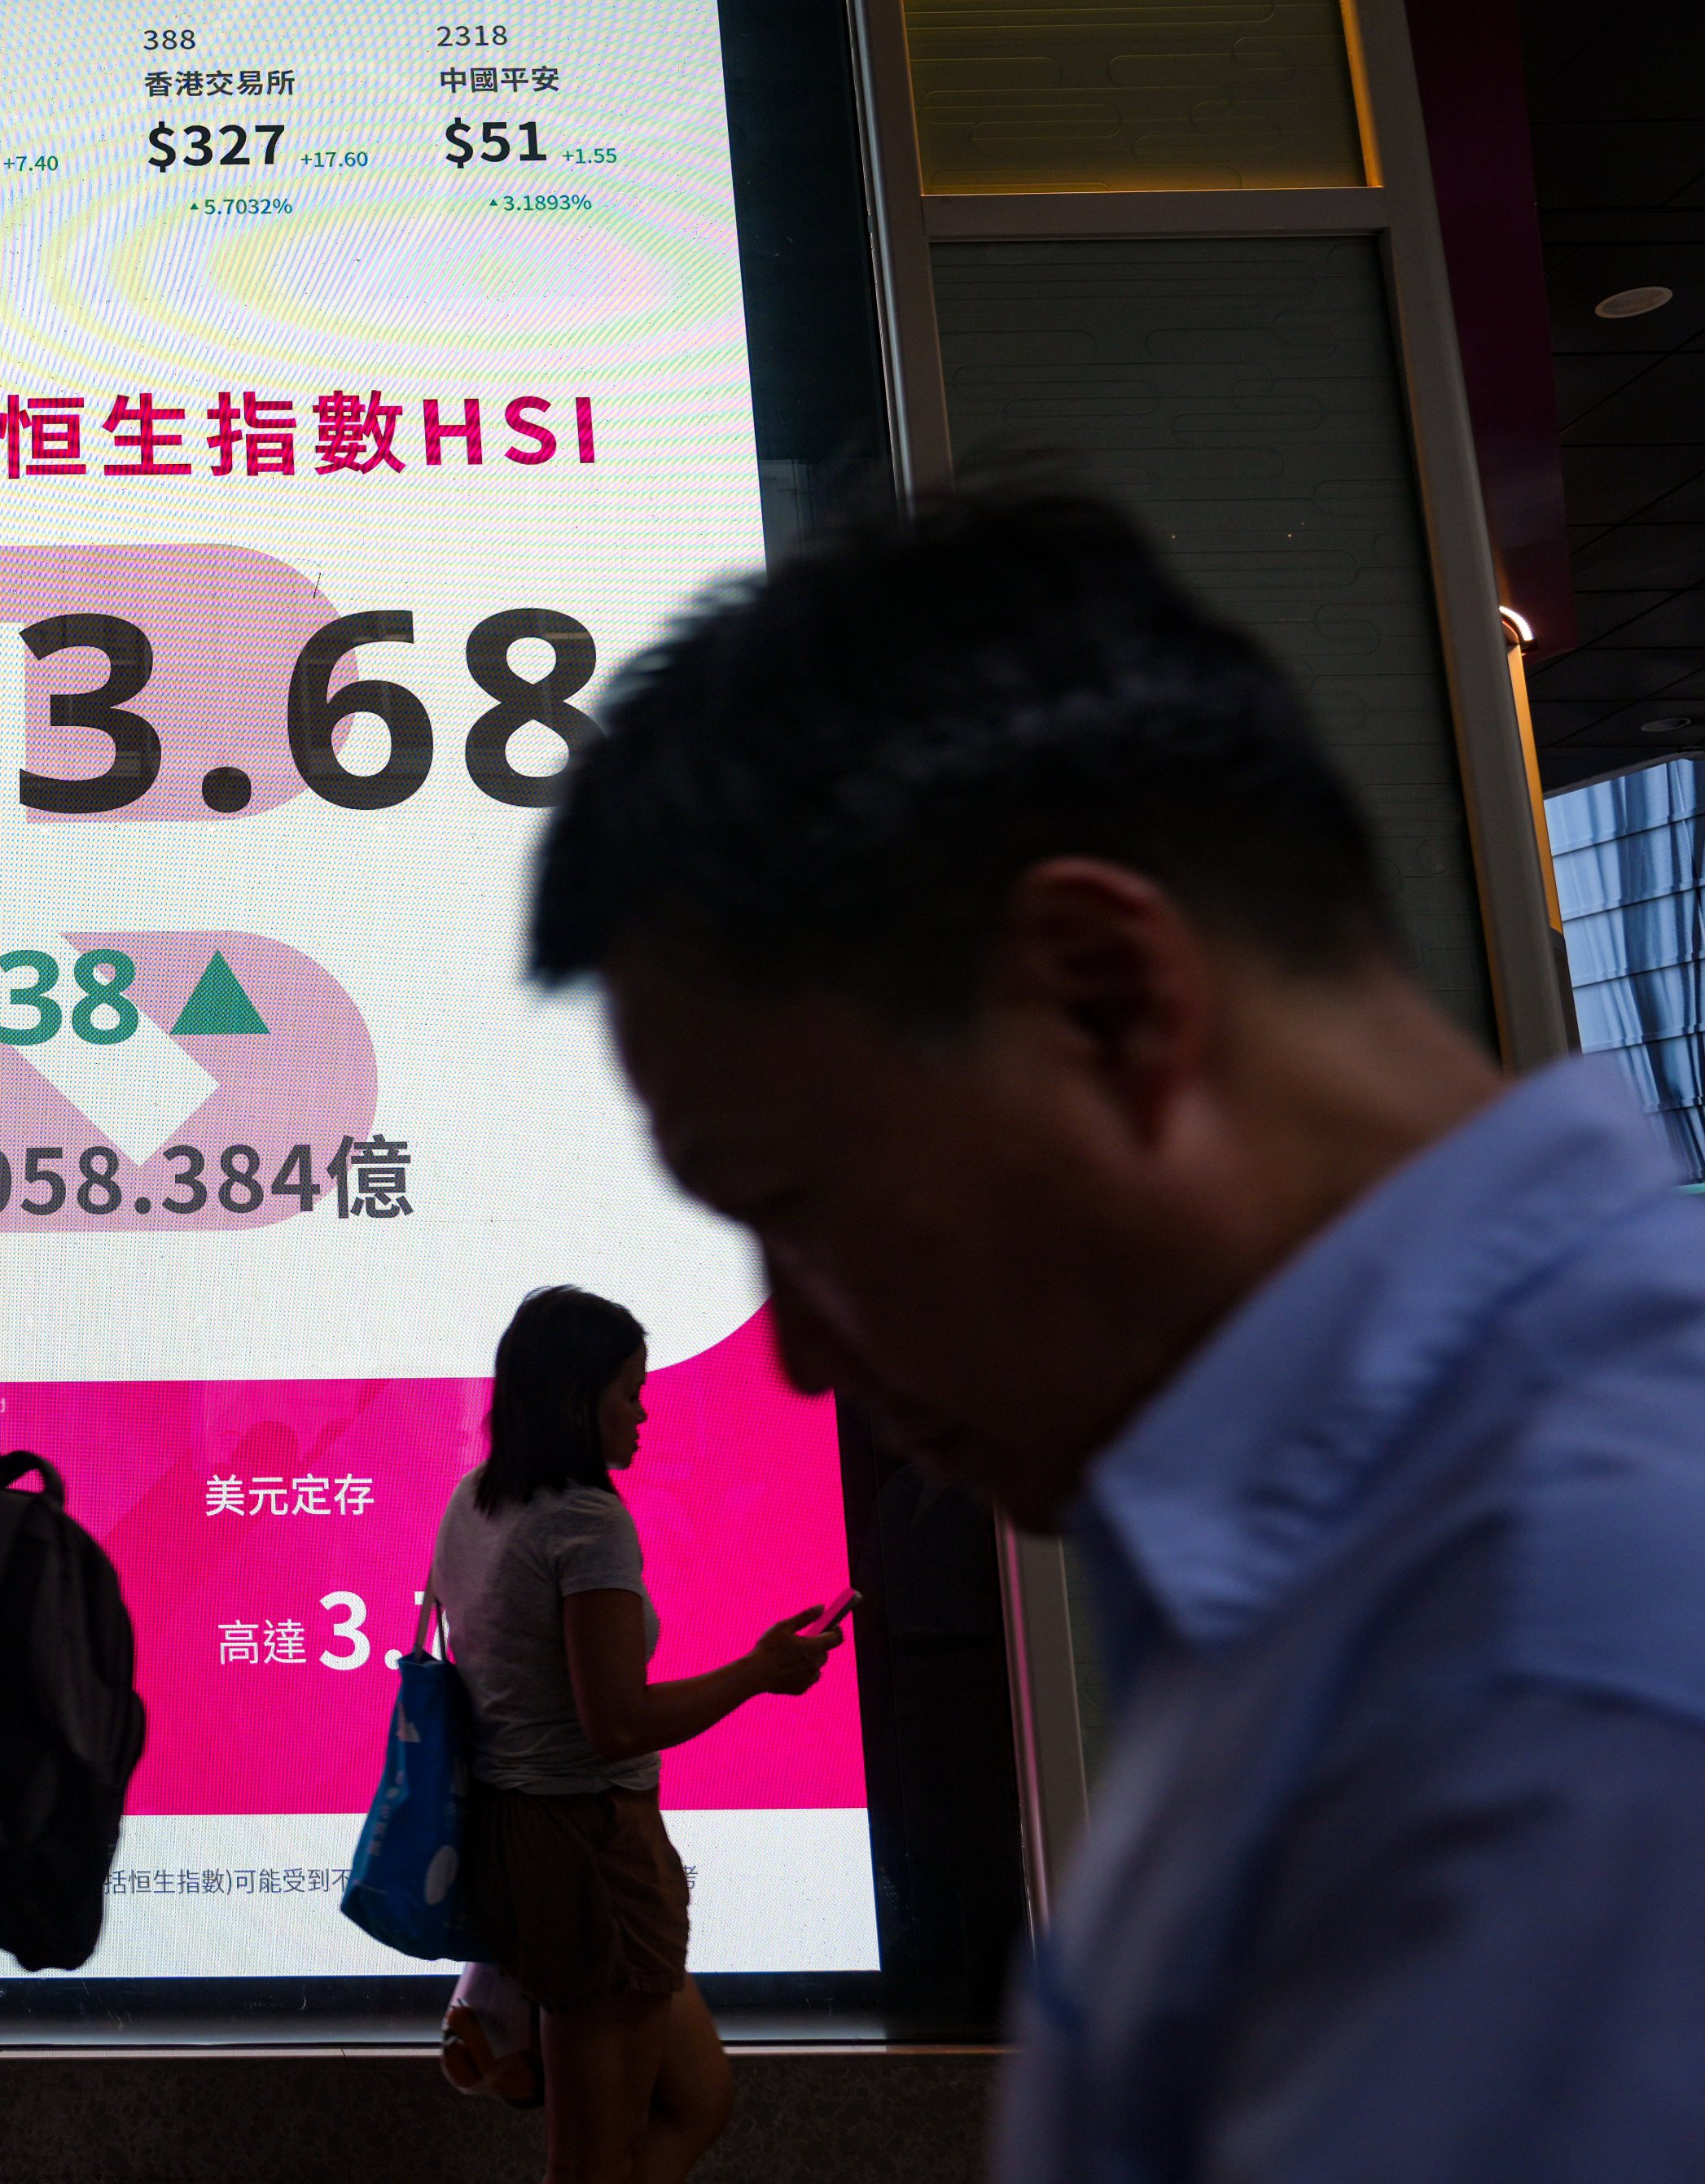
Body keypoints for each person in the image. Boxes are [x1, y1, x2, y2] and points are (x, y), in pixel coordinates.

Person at [527, 490, 1705, 2181]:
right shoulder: (1387, 1573)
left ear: (1102, 996)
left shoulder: (1554, 1684)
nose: (793, 1351)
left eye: (796, 1199)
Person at [428, 1285, 844, 2182]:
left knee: (697, 2098)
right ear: (581, 1399)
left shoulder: (476, 1499)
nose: (644, 1411)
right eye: (630, 1390)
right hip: (591, 1850)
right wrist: (760, 1671)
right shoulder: (586, 1519)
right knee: (590, 2159)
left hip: (523, 1837)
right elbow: (614, 1721)